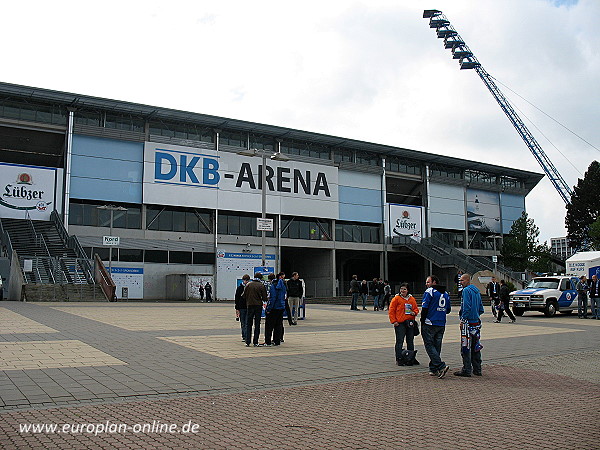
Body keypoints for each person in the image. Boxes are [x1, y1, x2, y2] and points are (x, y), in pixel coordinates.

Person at [420, 275, 451, 379]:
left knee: (429, 345)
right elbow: (448, 309)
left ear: (434, 282)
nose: (426, 284)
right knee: (437, 346)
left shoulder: (430, 292)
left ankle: (440, 366)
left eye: (428, 282)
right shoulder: (446, 293)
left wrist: (422, 320)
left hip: (430, 322)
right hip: (441, 323)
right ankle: (433, 368)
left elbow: (425, 307)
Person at [455, 273, 484, 377]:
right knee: (476, 347)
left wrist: (463, 320)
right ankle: (477, 369)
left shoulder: (466, 291)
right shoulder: (477, 291)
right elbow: (481, 308)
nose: (460, 282)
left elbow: (466, 306)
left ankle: (467, 369)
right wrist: (476, 314)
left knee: (465, 346)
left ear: (467, 280)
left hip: (468, 324)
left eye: (462, 280)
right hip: (476, 323)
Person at [389, 283, 419, 366]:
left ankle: (411, 357)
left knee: (410, 341)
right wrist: (394, 321)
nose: (402, 290)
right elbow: (391, 310)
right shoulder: (396, 299)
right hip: (400, 323)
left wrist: (414, 313)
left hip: (409, 322)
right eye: (401, 289)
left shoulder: (411, 299)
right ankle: (399, 358)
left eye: (404, 289)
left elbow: (416, 309)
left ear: (408, 290)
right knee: (400, 341)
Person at [243, 273, 268, 347]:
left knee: (249, 323)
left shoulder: (249, 285)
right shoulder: (261, 285)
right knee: (257, 324)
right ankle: (255, 341)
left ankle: (247, 341)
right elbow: (264, 298)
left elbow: (244, 295)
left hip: (250, 305)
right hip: (258, 306)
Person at [264, 272, 286, 346]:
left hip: (274, 308)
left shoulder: (273, 286)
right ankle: (277, 341)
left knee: (269, 326)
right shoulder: (283, 285)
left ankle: (268, 341)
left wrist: (268, 309)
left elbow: (272, 298)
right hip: (281, 307)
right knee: (278, 325)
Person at [234, 274, 251, 341]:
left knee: (247, 322)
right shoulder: (240, 288)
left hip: (248, 306)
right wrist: (237, 307)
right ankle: (244, 335)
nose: (246, 282)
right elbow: (237, 298)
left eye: (247, 280)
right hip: (242, 307)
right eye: (245, 280)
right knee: (243, 322)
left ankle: (246, 335)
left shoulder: (250, 287)